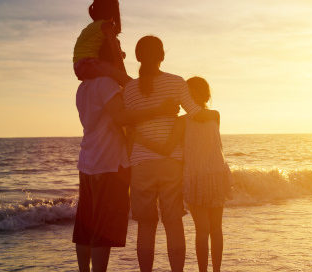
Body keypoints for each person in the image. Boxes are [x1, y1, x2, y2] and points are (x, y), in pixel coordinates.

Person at [73, 35, 178, 272]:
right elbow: (121, 117)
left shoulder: (83, 87)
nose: (122, 55)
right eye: (118, 51)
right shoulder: (106, 84)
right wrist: (159, 109)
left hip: (87, 161)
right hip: (108, 162)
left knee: (85, 227)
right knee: (102, 229)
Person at [123, 36, 218, 272]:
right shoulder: (176, 83)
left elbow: (127, 126)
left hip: (141, 164)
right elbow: (195, 113)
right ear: (162, 56)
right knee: (173, 224)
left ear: (137, 57)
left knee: (146, 227)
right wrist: (214, 116)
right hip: (171, 163)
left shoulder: (129, 89)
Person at [135, 76, 231, 272]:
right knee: (216, 229)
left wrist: (140, 139)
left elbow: (167, 149)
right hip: (217, 174)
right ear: (207, 95)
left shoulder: (182, 122)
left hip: (196, 177)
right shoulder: (215, 115)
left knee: (202, 231)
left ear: (186, 95)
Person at [73, 0, 131, 86]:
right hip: (89, 64)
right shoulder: (106, 26)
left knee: (118, 77)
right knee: (127, 81)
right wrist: (125, 77)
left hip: (79, 66)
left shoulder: (92, 27)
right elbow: (116, 53)